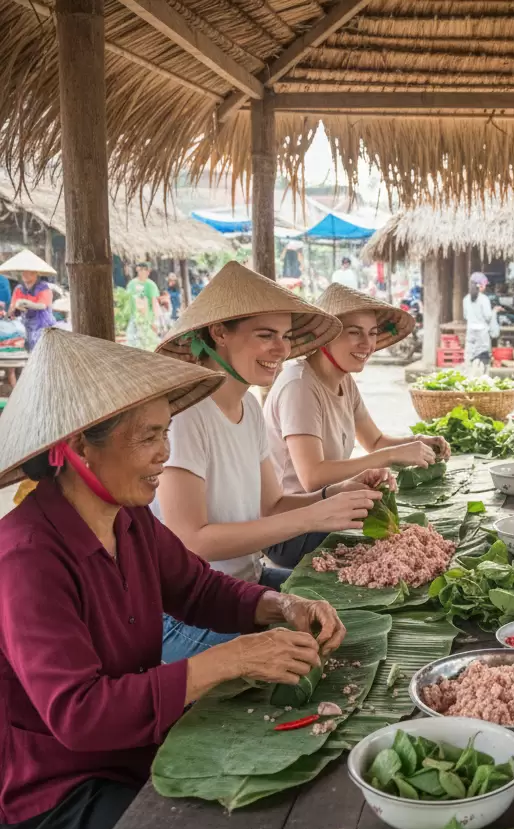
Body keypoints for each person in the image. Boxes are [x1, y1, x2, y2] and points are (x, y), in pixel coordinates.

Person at [0, 327, 346, 829]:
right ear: (77, 447)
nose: (166, 453)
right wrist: (230, 658)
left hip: (136, 749)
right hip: (60, 791)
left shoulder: (131, 518)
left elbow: (198, 588)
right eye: (148, 438)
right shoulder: (25, 557)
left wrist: (279, 606)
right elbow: (80, 714)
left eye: (166, 433)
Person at [152, 261, 386, 660]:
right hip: (184, 610)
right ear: (219, 332)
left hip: (247, 584)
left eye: (284, 336)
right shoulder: (187, 414)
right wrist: (315, 517)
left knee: (365, 614)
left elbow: (271, 505)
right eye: (265, 335)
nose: (280, 349)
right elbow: (190, 541)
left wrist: (333, 494)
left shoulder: (248, 406)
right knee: (318, 660)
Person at [263, 283, 450, 565]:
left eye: (372, 333)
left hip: (328, 507)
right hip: (290, 530)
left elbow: (375, 442)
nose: (368, 344)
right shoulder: (299, 385)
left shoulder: (344, 381)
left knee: (419, 531)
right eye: (354, 333)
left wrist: (416, 443)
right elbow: (312, 476)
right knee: (402, 546)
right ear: (324, 335)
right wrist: (388, 456)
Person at [0, 249, 57, 352]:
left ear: (36, 273)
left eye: (29, 271)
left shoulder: (44, 288)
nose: (25, 274)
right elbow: (11, 311)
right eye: (23, 271)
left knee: (40, 350)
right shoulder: (19, 289)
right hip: (26, 324)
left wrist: (25, 302)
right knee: (26, 348)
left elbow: (42, 306)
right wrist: (15, 307)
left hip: (43, 325)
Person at [126, 261, 162, 351]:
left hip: (147, 319)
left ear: (148, 272)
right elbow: (127, 301)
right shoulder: (131, 284)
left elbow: (154, 303)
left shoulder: (151, 285)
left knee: (148, 344)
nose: (142, 272)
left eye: (145, 270)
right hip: (134, 318)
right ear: (137, 270)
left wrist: (155, 321)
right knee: (132, 344)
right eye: (140, 269)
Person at [463, 271, 494, 372]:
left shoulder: (466, 299)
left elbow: (466, 316)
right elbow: (488, 316)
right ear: (480, 285)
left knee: (470, 357)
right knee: (483, 359)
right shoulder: (484, 299)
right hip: (482, 332)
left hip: (470, 330)